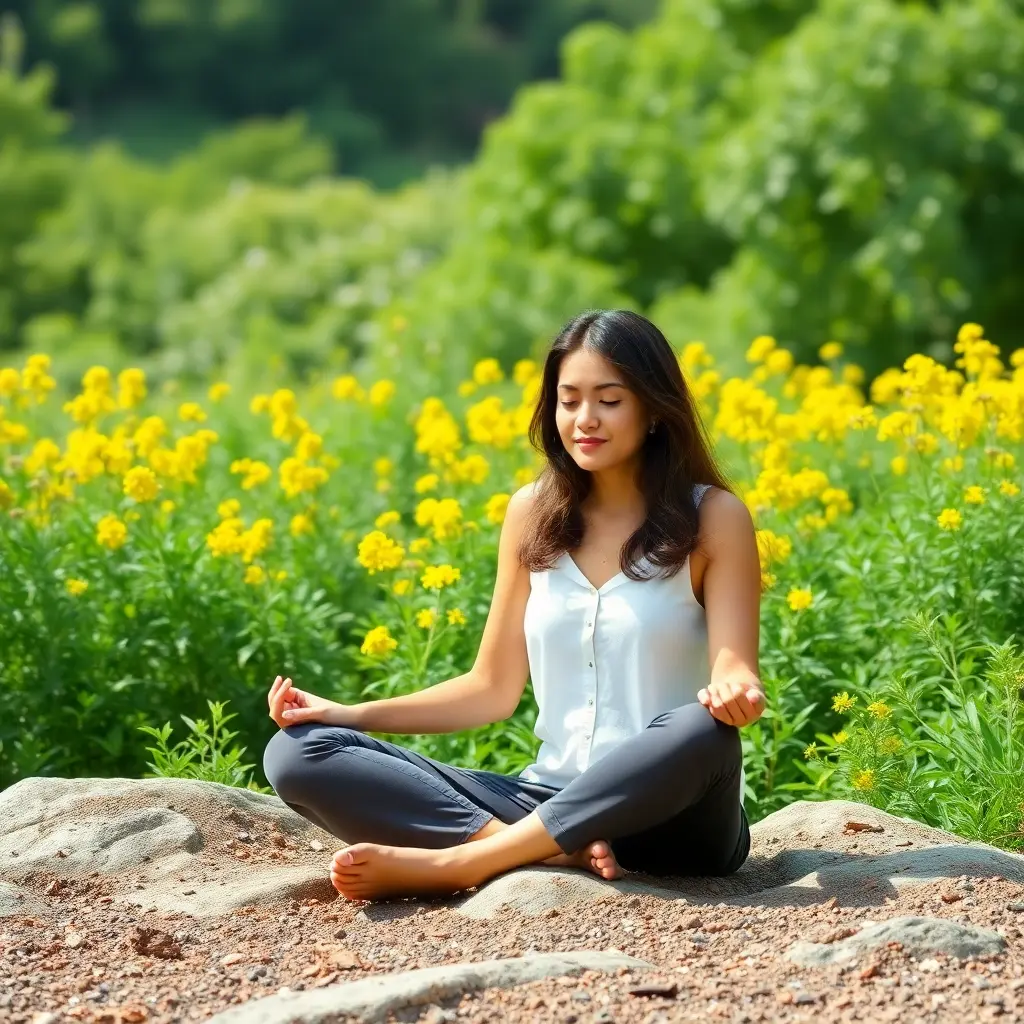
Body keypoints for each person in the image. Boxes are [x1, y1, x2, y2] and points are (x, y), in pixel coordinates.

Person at [263, 309, 765, 902]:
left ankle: (462, 864)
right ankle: (532, 847)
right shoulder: (532, 513)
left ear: (654, 408)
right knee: (297, 753)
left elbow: (734, 667)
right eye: (568, 400)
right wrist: (344, 713)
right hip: (544, 801)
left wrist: (735, 691)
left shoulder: (713, 517)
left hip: (671, 819)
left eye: (609, 400)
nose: (585, 420)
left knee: (702, 732)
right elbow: (492, 688)